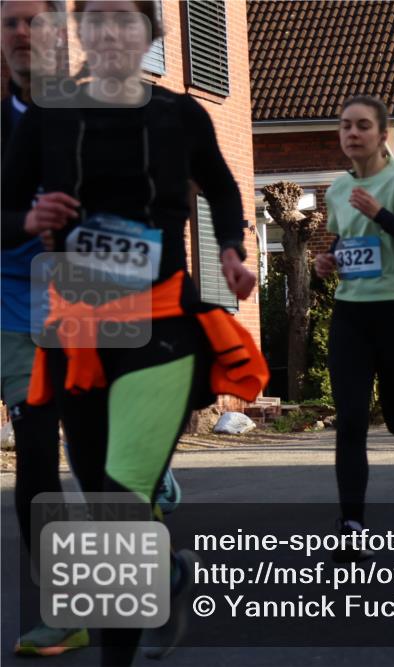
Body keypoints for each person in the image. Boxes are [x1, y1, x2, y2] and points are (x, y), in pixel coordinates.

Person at [2, 2, 267, 664]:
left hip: (161, 331)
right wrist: (32, 216)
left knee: (120, 502)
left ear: (153, 35)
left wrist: (232, 250)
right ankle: (162, 578)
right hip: (75, 336)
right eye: (99, 19)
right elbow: (3, 211)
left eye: (128, 20)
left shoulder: (181, 114)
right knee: (99, 502)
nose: (113, 33)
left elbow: (225, 192)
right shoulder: (48, 117)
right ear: (81, 34)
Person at [314, 95, 394, 556]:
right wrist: (326, 260)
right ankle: (352, 527)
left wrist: (380, 215)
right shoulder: (335, 190)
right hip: (351, 314)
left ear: (382, 135)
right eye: (345, 126)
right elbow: (346, 241)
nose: (352, 133)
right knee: (349, 419)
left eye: (362, 126)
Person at [0, 0, 90, 657]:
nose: (22, 33)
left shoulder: (95, 114)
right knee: (35, 459)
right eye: (9, 22)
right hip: (13, 315)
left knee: (106, 461)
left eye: (35, 20)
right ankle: (70, 610)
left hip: (92, 308)